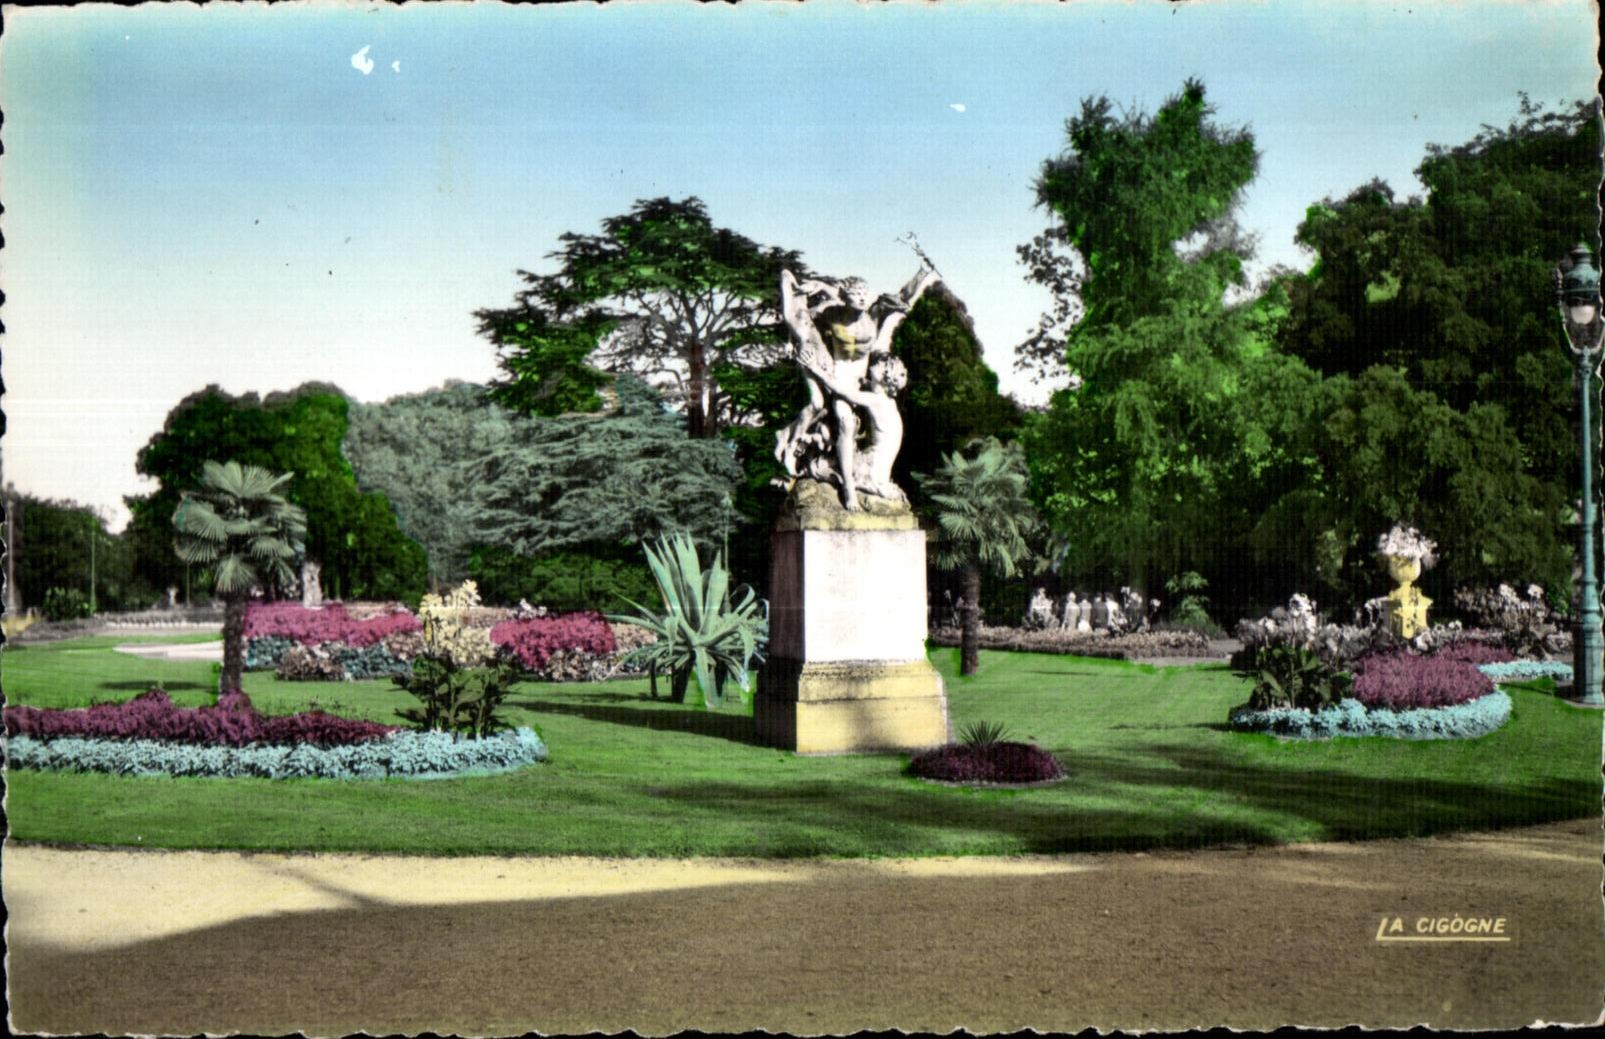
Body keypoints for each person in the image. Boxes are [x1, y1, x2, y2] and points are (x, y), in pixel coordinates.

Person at [775, 265, 940, 509]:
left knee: (864, 430)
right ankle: (848, 490)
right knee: (845, 423)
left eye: (865, 293)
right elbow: (803, 325)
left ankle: (838, 466)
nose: (863, 298)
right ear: (845, 296)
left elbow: (902, 298)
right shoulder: (831, 314)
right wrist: (792, 341)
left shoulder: (873, 315)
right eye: (856, 294)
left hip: (862, 381)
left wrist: (922, 274)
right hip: (837, 376)